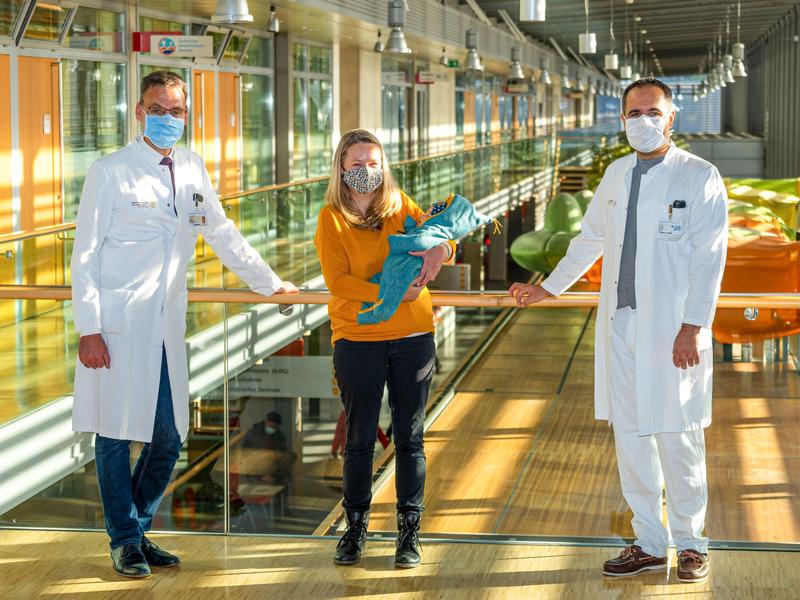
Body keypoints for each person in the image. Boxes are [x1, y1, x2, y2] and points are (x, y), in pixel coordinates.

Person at [71, 71, 297, 579]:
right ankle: (126, 540)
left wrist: (269, 283)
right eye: (158, 108)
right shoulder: (110, 172)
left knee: (169, 439)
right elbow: (83, 255)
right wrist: (89, 327)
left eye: (177, 110)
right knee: (112, 434)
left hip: (167, 325)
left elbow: (221, 231)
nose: (168, 118)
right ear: (139, 111)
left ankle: (132, 531)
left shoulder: (193, 168)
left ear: (187, 113)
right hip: (117, 325)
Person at [509, 78, 727, 583]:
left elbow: (710, 258)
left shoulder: (699, 176)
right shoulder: (616, 174)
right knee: (631, 438)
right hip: (622, 324)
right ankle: (650, 542)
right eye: (633, 112)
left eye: (653, 111)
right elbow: (589, 240)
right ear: (622, 119)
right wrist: (551, 287)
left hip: (675, 327)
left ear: (671, 119)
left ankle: (692, 544)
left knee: (678, 436)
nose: (642, 120)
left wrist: (694, 325)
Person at [314, 129, 455, 569]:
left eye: (373, 163)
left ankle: (408, 534)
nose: (366, 172)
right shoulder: (331, 219)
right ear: (341, 167)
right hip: (357, 341)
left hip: (413, 339)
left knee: (411, 439)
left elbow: (442, 236)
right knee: (359, 441)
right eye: (357, 164)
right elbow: (338, 282)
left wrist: (442, 251)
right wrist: (391, 295)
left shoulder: (401, 207)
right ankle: (354, 530)